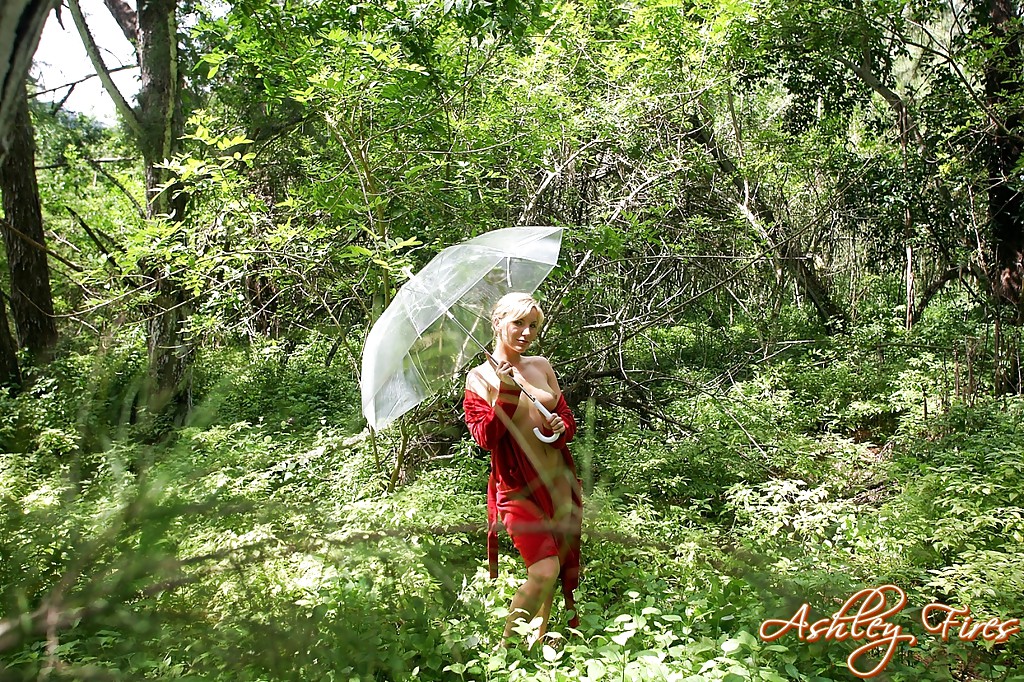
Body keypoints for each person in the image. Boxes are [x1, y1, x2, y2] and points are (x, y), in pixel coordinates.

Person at [463, 292, 582, 645]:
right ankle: (508, 649)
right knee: (543, 568)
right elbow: (485, 436)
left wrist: (561, 426)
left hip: (558, 481)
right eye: (518, 323)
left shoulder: (541, 365)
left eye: (533, 325)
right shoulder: (479, 378)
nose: (526, 332)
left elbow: (565, 417)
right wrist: (508, 392)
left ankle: (537, 642)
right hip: (517, 487)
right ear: (497, 323)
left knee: (555, 565)